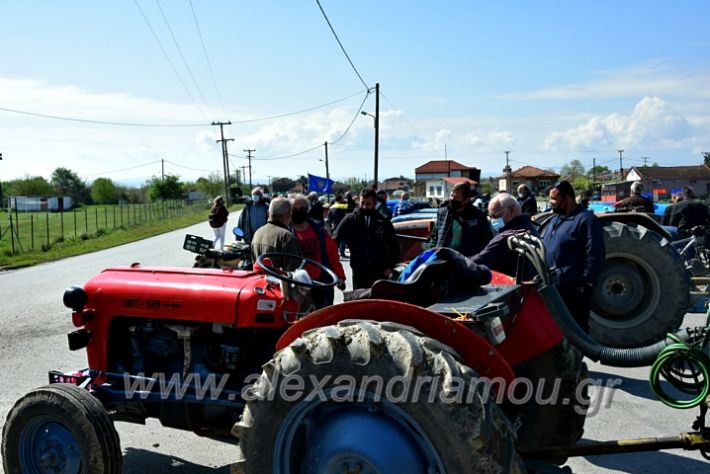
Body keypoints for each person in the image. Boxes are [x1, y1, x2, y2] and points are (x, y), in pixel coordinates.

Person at [543, 181, 605, 332]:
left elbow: (595, 254)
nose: (551, 203)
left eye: (554, 199)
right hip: (555, 288)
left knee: (576, 330)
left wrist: (585, 284)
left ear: (567, 199)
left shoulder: (586, 220)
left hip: (574, 290)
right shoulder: (556, 219)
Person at [334, 188, 400, 289]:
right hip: (359, 271)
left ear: (374, 203)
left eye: (368, 204)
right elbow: (334, 241)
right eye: (362, 203)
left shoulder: (383, 221)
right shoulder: (350, 220)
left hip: (380, 271)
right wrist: (336, 269)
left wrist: (390, 267)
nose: (364, 207)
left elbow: (394, 245)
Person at [290, 194, 346, 308]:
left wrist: (339, 275)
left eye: (302, 209)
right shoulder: (285, 233)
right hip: (297, 287)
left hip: (321, 284)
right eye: (295, 209)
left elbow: (332, 254)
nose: (299, 211)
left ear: (308, 210)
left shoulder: (319, 229)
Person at [470, 193, 540, 279]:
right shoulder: (531, 228)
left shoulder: (506, 237)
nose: (492, 220)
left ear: (511, 210)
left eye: (494, 216)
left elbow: (477, 262)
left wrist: (458, 262)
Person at [427, 182, 493, 257]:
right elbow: (434, 237)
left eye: (456, 198)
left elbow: (487, 240)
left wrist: (479, 259)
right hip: (444, 260)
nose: (452, 199)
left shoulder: (478, 215)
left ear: (466, 200)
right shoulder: (442, 212)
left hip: (468, 261)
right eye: (452, 196)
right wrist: (433, 252)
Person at [251, 197, 303, 271]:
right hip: (279, 282)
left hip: (260, 281)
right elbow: (297, 272)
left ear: (268, 213)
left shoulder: (257, 233)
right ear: (289, 215)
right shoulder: (286, 237)